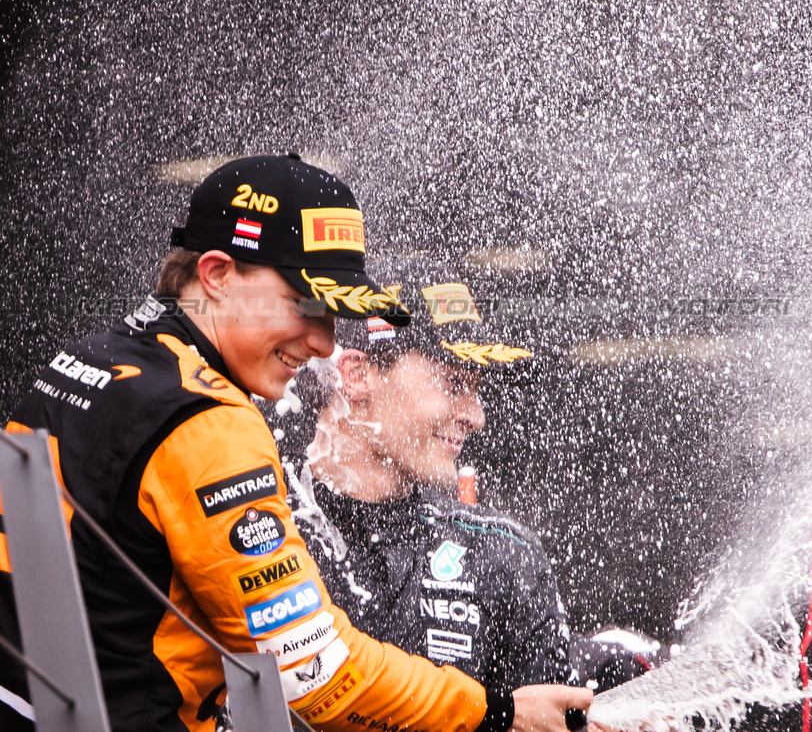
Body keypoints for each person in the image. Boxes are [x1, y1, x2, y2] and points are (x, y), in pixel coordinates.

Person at [0, 154, 590, 732]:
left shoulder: (83, 362)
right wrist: (496, 713)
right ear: (216, 275)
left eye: (334, 312)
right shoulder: (209, 422)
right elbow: (311, 671)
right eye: (303, 304)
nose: (322, 341)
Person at [270, 261, 575, 697]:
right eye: (453, 384)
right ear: (357, 375)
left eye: (478, 389)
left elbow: (550, 720)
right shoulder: (261, 532)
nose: (476, 416)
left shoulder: (506, 557)